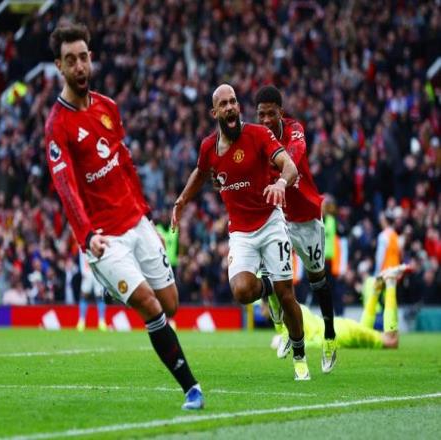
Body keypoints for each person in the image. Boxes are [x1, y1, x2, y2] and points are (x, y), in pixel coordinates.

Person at [45, 23, 203, 410]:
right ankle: (191, 388)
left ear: (91, 59)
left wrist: (146, 215)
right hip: (104, 238)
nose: (79, 66)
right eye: (70, 60)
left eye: (83, 57)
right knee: (150, 305)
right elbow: (65, 188)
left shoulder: (108, 108)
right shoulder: (57, 126)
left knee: (171, 304)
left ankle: (115, 290)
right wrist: (87, 236)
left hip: (136, 222)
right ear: (59, 67)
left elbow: (125, 163)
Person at [172, 84, 310, 380]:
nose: (230, 107)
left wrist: (280, 183)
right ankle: (268, 288)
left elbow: (288, 165)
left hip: (271, 223)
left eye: (233, 101)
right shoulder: (209, 147)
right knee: (242, 291)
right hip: (241, 233)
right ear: (214, 113)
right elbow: (200, 172)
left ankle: (299, 353)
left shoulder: (258, 134)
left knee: (288, 295)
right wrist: (182, 200)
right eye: (223, 104)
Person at [254, 85, 337, 373]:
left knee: (317, 279)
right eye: (261, 114)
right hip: (279, 216)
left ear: (281, 111)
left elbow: (294, 157)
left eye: (271, 113)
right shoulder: (255, 136)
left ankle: (330, 337)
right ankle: (287, 328)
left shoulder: (295, 129)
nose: (266, 120)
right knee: (273, 274)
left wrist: (273, 172)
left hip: (306, 216)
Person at [271, 265, 410, 353]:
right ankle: (377, 287)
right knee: (364, 329)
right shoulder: (297, 307)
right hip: (339, 327)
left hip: (340, 335)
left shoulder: (284, 322)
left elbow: (308, 343)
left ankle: (390, 282)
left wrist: (284, 343)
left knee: (391, 341)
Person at [77, 251, 108, 331]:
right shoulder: (82, 245)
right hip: (87, 272)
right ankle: (81, 321)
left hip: (97, 272)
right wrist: (83, 272)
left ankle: (101, 321)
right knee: (84, 296)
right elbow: (81, 256)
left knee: (100, 297)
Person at [374, 211, 401, 276]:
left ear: (385, 221)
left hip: (385, 272)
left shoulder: (383, 236)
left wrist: (377, 272)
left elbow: (380, 256)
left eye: (381, 220)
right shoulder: (396, 236)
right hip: (395, 272)